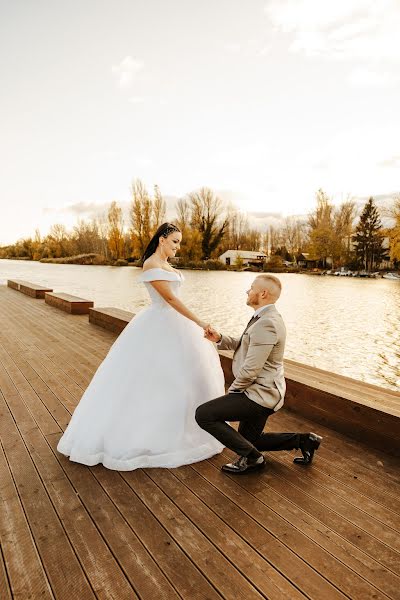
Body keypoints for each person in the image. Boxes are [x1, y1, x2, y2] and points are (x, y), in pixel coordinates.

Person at [57, 223, 224, 470]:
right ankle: (147, 438)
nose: (178, 246)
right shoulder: (152, 265)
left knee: (183, 380)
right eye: (175, 241)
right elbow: (169, 298)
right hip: (159, 325)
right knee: (150, 380)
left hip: (179, 327)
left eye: (180, 242)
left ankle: (190, 433)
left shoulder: (167, 266)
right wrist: (200, 322)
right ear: (162, 240)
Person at [196, 274, 322, 474]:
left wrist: (233, 393)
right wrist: (220, 338)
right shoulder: (264, 317)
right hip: (262, 389)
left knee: (204, 414)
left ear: (263, 293)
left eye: (251, 288)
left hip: (260, 394)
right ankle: (304, 440)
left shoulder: (267, 323)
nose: (247, 291)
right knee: (250, 440)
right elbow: (246, 343)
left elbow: (251, 370)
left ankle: (253, 458)